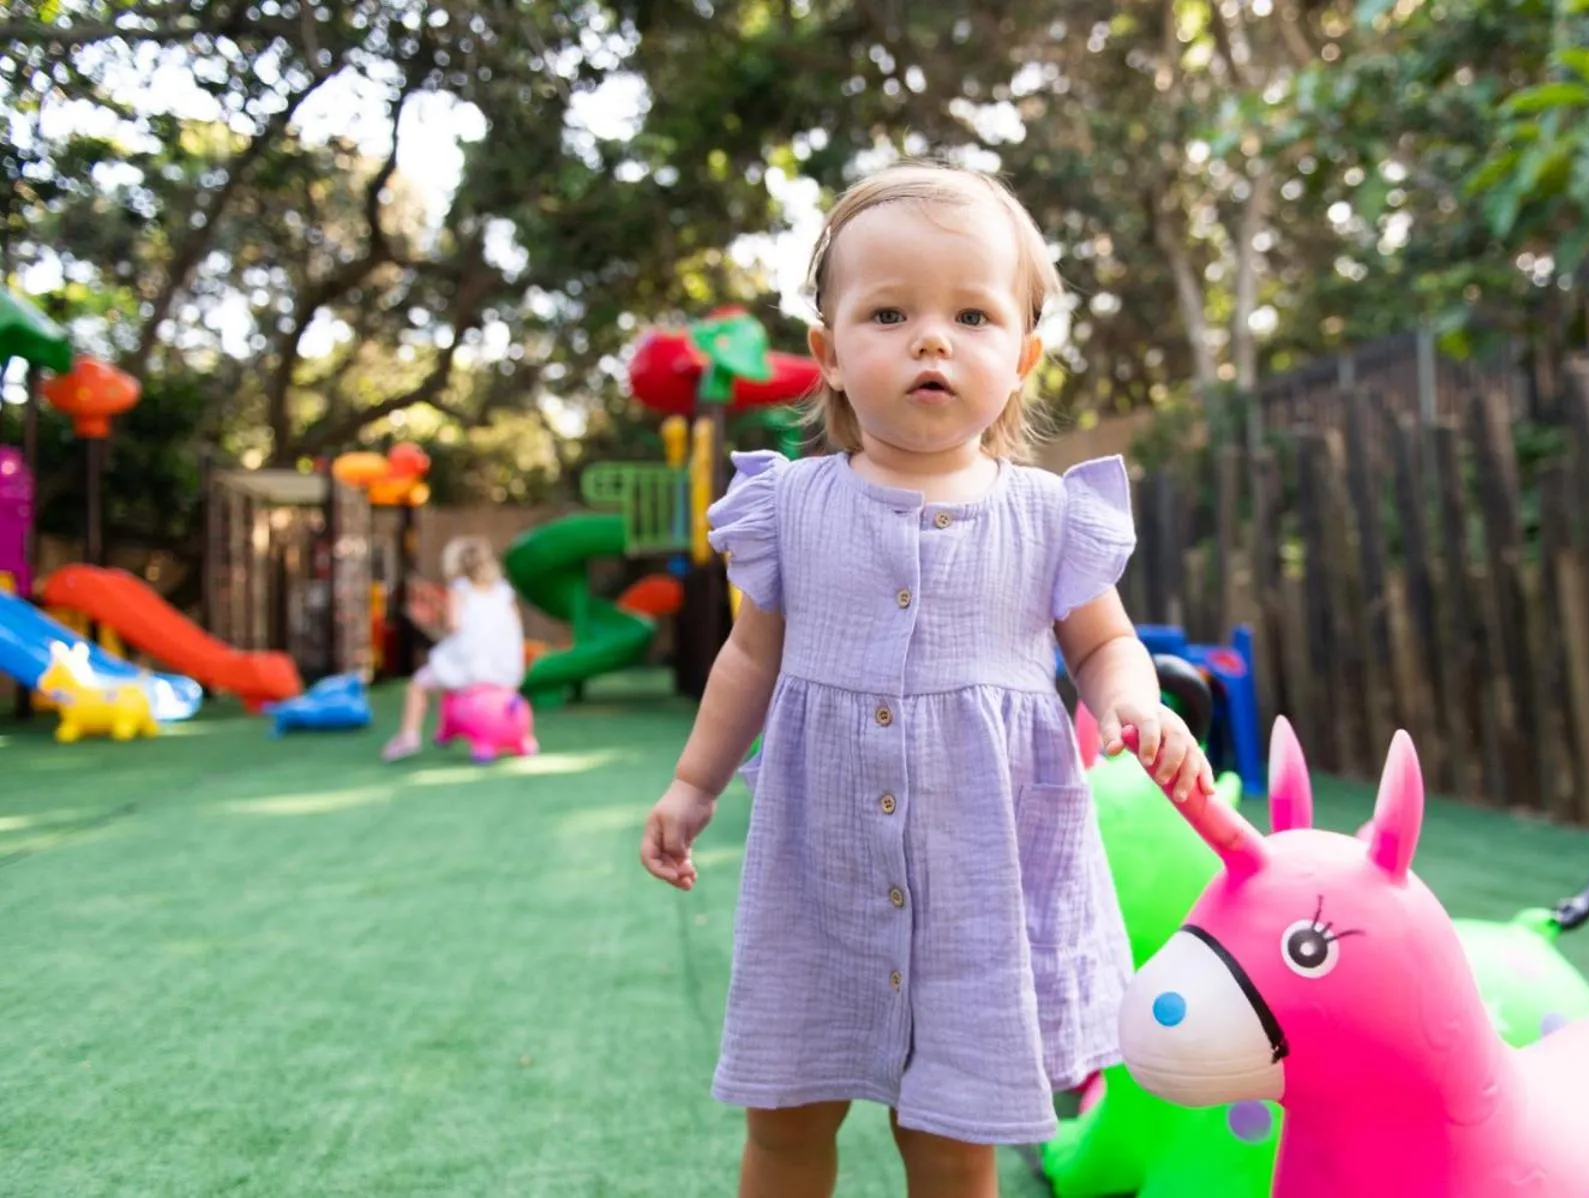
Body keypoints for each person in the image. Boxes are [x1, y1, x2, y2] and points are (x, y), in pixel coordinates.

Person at [639, 159, 1215, 1198]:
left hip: (979, 887)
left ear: (1023, 357)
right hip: (819, 880)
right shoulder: (791, 508)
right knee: (787, 1117)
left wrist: (1133, 700)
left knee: (952, 1139)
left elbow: (1102, 644)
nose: (932, 340)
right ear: (828, 353)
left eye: (972, 316)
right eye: (890, 313)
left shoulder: (1049, 516)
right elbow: (751, 657)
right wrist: (693, 783)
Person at [381, 535, 525, 762]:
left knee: (418, 684)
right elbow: (515, 626)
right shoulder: (503, 591)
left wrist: (430, 617)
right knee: (446, 677)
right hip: (505, 669)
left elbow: (453, 625)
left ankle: (408, 736)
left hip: (471, 666)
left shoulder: (459, 589)